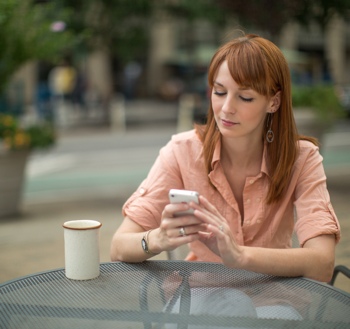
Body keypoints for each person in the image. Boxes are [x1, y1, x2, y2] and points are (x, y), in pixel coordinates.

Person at [110, 33, 340, 282]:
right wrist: (157, 239)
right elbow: (119, 246)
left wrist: (241, 256)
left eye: (245, 97)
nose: (227, 107)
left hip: (274, 301)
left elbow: (322, 264)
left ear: (274, 102)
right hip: (201, 297)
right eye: (219, 92)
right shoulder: (182, 151)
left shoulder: (301, 158)